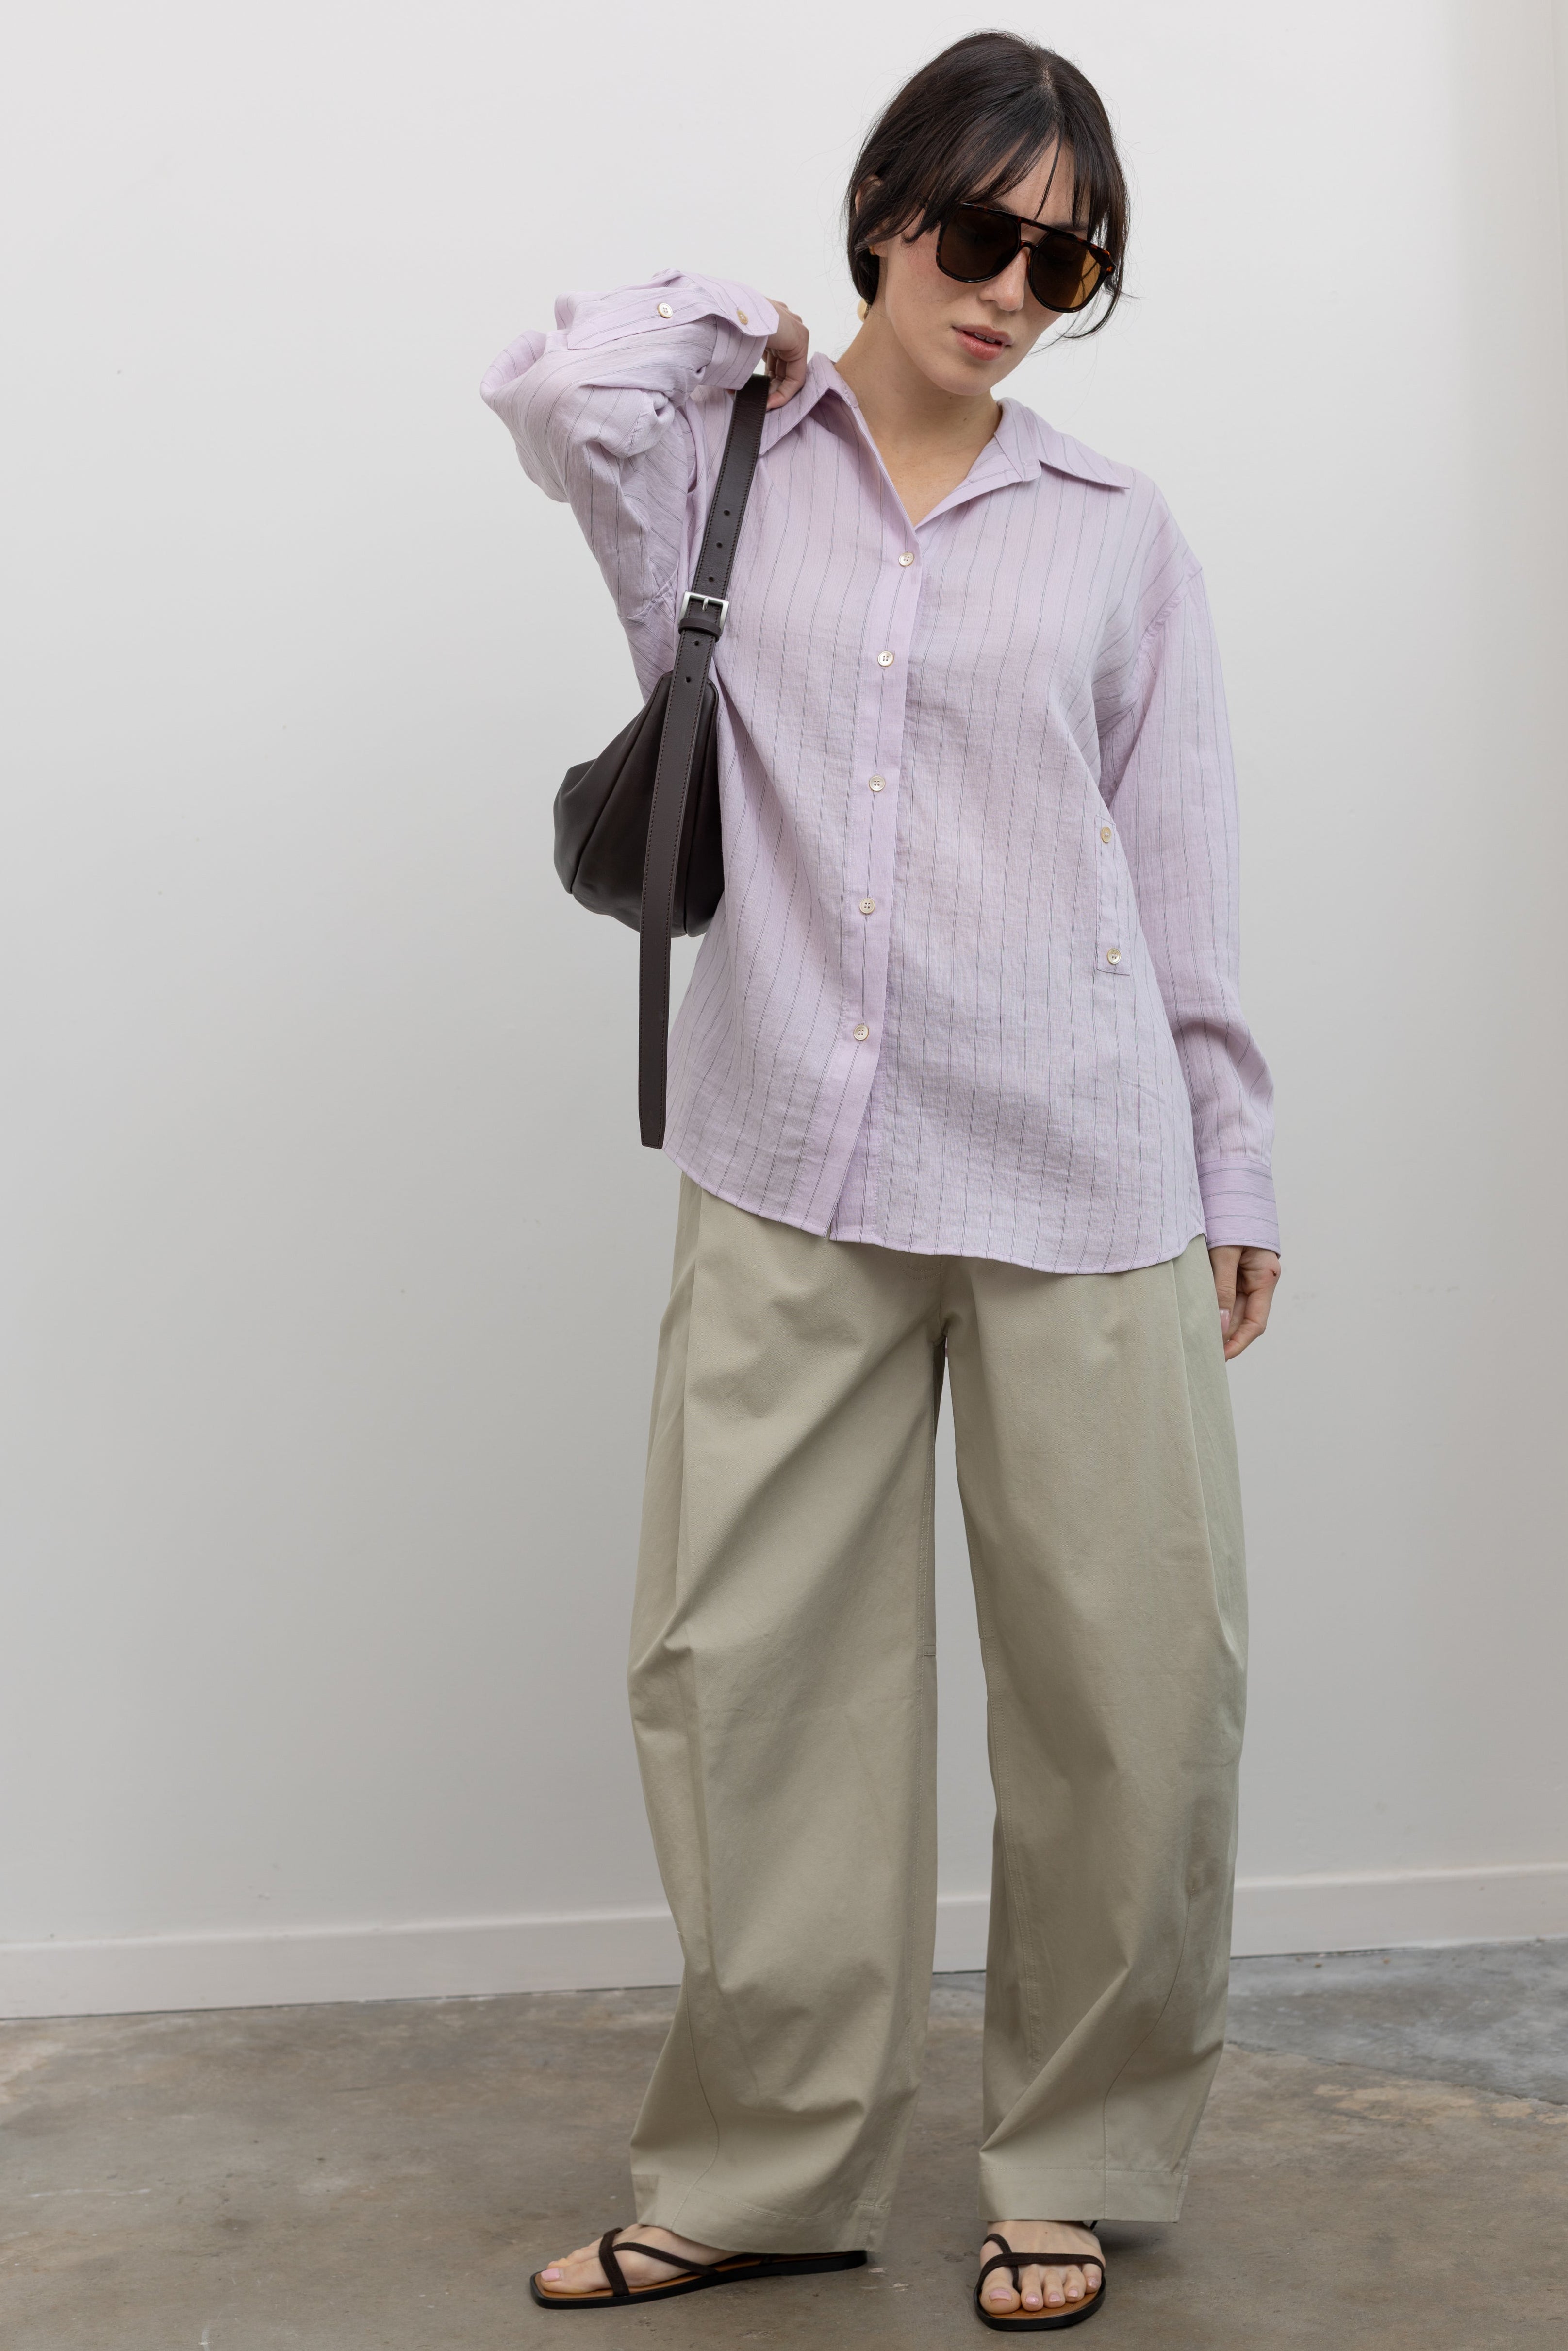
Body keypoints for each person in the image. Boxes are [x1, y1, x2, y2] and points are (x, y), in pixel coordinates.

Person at [483, 29, 1280, 2334]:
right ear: (884, 212)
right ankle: (758, 2166)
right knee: (745, 1680)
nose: (1016, 285)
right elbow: (544, 396)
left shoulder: (1117, 534)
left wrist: (1233, 1151)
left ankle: (1077, 2157)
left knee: (1133, 1698)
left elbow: (1180, 866)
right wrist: (721, 323)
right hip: (789, 1162)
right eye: (980, 230)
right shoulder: (716, 468)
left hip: (1083, 1163)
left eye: (1070, 255)